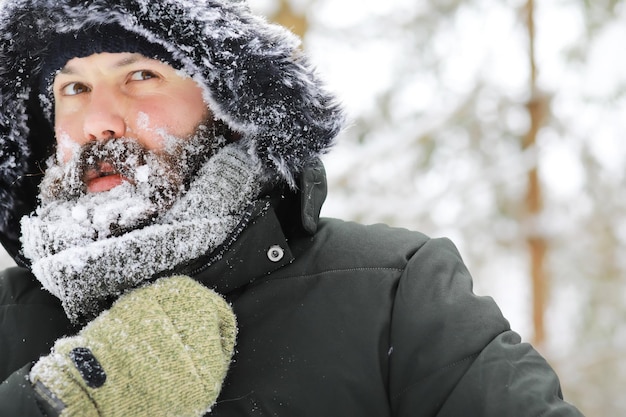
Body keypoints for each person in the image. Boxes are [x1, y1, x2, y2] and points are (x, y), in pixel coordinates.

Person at [0, 0, 585, 416]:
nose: (97, 120)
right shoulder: (7, 316)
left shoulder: (391, 292)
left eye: (140, 75)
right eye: (73, 88)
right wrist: (59, 401)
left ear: (226, 105)